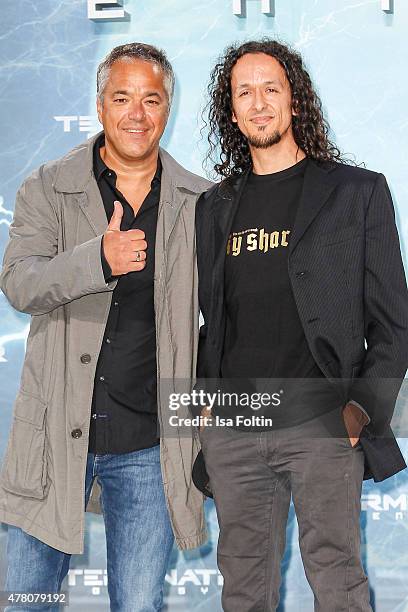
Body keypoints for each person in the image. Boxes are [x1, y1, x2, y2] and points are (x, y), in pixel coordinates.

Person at [193, 39, 408, 611]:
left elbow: (394, 323)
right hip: (235, 426)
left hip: (323, 421)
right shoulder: (213, 207)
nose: (258, 103)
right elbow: (210, 321)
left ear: (294, 101)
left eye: (271, 89)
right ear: (231, 111)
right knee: (242, 589)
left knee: (336, 582)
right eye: (245, 92)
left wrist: (359, 411)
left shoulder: (356, 192)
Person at [0, 42, 211, 611]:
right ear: (99, 105)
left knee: (138, 607)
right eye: (122, 98)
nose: (136, 114)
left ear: (168, 109)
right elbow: (20, 283)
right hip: (53, 433)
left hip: (150, 445)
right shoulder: (48, 186)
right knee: (27, 602)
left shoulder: (202, 203)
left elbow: (229, 313)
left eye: (151, 99)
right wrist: (98, 259)